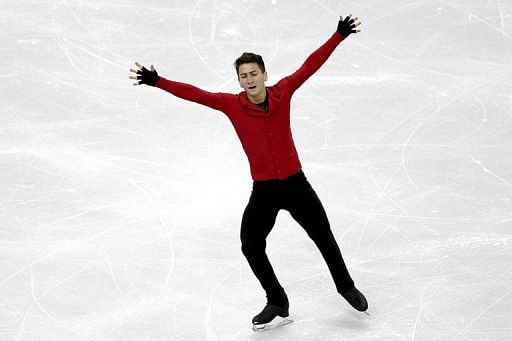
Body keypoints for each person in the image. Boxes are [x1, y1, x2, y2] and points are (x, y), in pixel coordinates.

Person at [130, 14, 367, 329]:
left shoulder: (283, 91)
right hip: (265, 191)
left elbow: (309, 65)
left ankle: (345, 286)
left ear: (264, 74)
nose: (250, 79)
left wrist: (338, 36)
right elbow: (196, 94)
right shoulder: (232, 105)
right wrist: (158, 82)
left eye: (254, 73)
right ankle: (277, 300)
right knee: (251, 244)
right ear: (239, 81)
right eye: (244, 76)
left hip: (297, 185)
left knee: (322, 235)